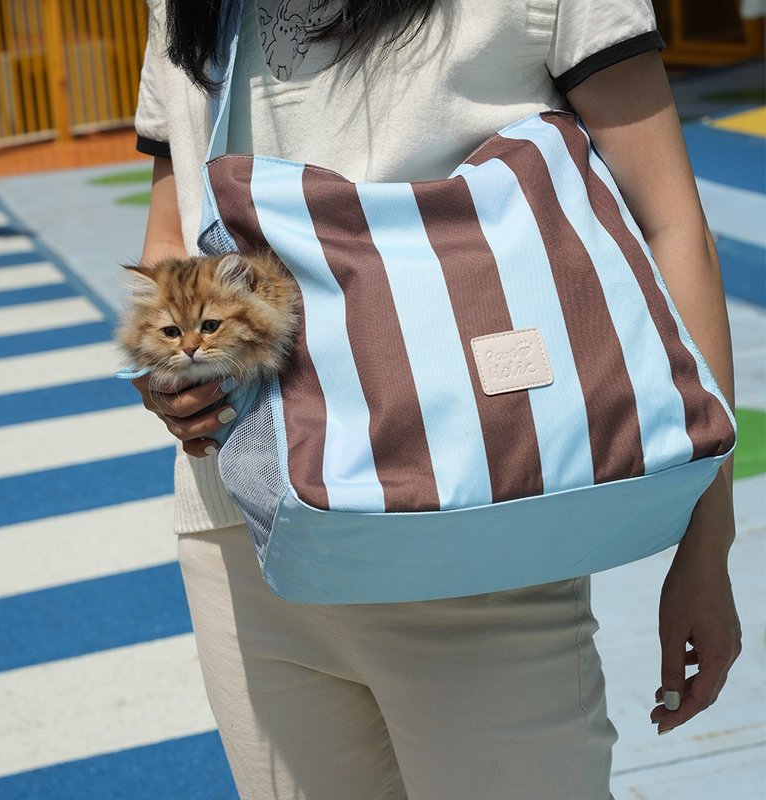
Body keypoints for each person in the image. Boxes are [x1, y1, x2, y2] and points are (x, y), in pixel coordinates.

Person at [131, 1, 741, 797]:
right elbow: (172, 236)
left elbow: (671, 222)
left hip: (477, 546)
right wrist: (167, 374)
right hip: (243, 538)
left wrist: (706, 543)